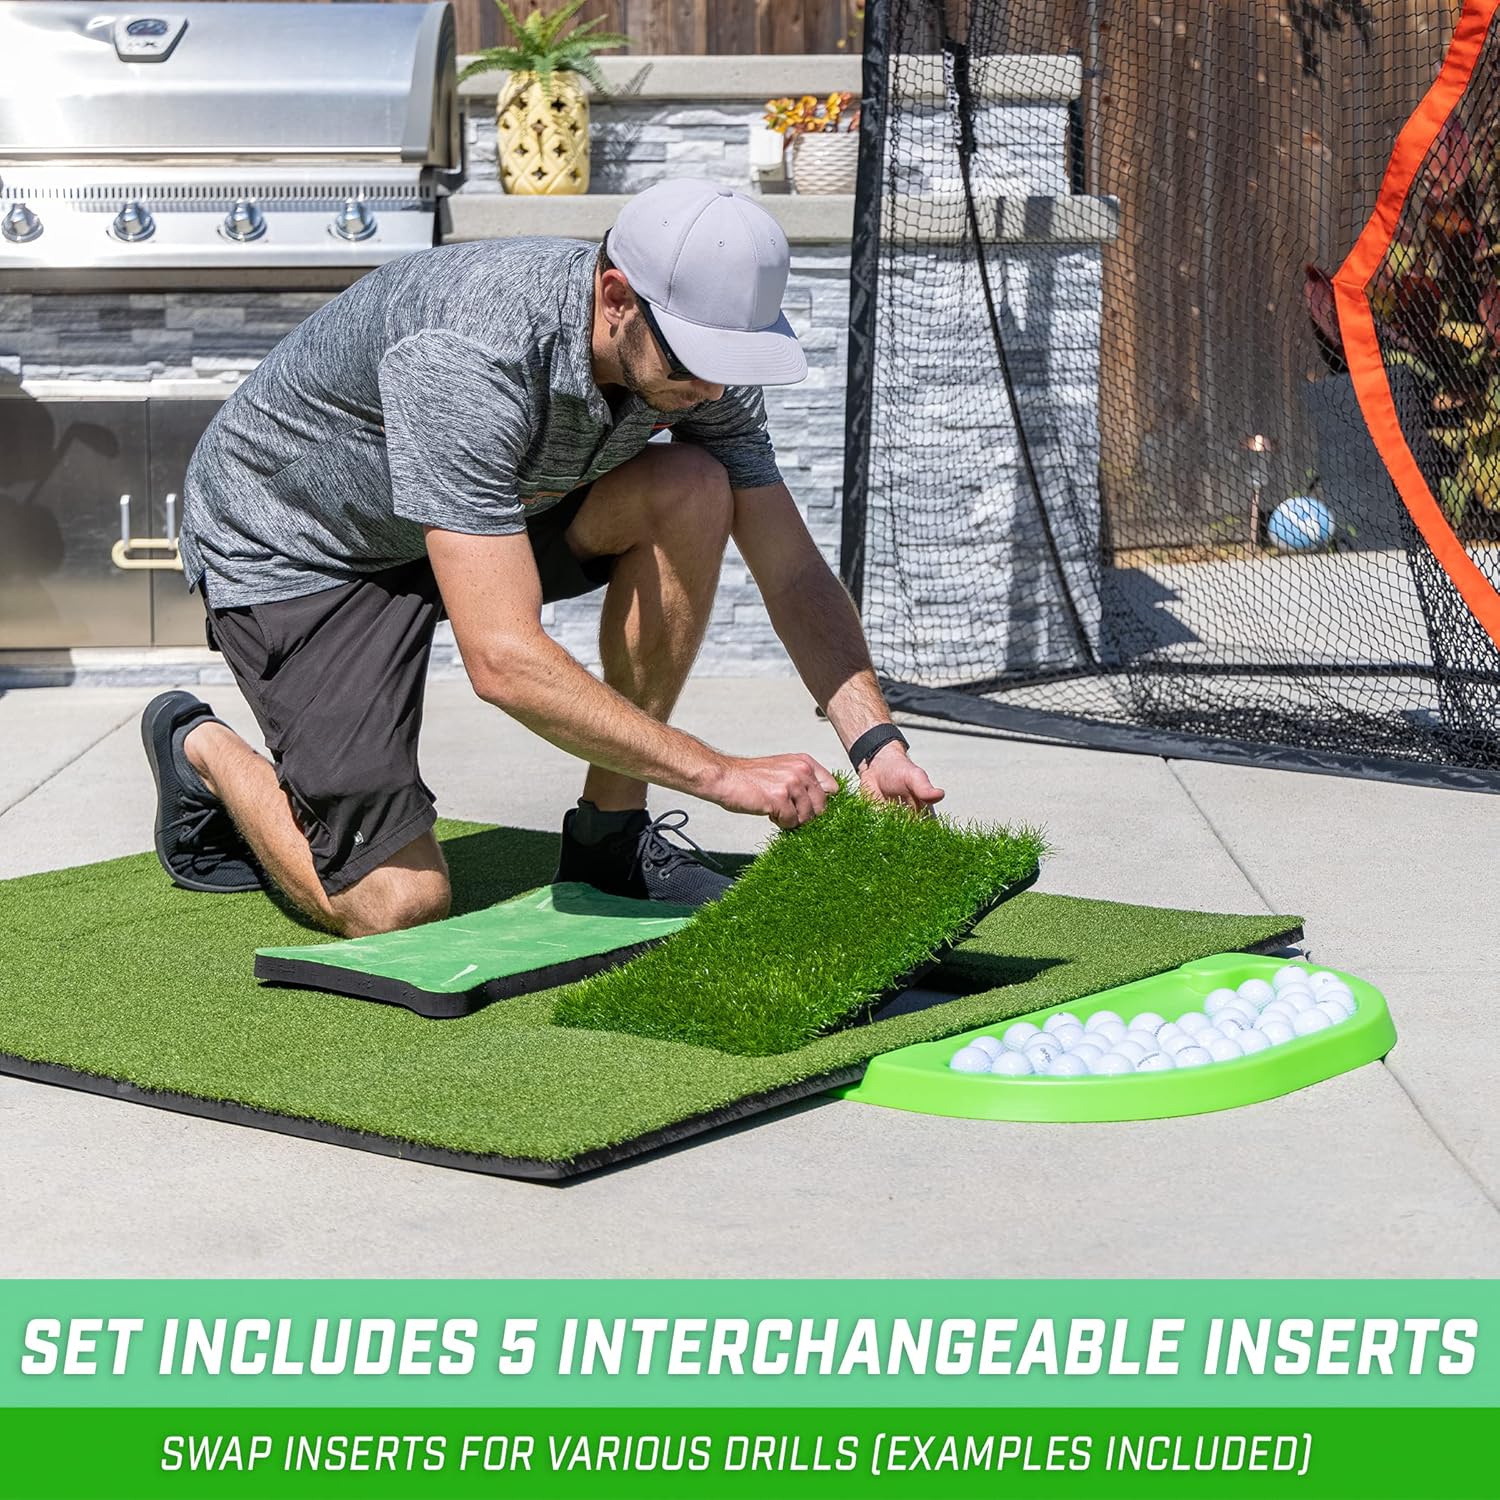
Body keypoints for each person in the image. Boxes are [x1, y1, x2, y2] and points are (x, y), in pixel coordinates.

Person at [141, 178, 943, 937]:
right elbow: (503, 660)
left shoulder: (706, 364)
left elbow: (792, 567)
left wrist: (875, 741)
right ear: (617, 299)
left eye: (728, 364)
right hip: (303, 547)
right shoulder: (471, 352)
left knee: (695, 486)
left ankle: (611, 838)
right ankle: (197, 746)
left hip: (477, 513)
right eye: (692, 363)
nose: (711, 390)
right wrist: (720, 773)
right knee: (395, 904)